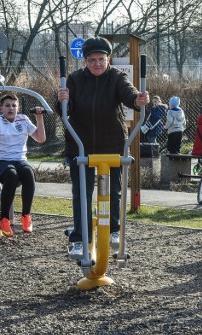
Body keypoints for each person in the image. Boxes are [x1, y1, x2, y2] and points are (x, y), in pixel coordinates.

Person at [56, 36, 149, 257]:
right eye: (92, 60)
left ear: (108, 59)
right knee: (82, 193)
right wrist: (61, 100)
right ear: (85, 62)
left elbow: (129, 94)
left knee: (112, 191)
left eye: (101, 59)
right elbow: (63, 111)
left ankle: (114, 230)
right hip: (81, 145)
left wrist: (138, 100)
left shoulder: (116, 77)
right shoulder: (75, 79)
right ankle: (80, 238)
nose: (97, 64)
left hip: (111, 144)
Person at [0, 94, 46, 237]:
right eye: (7, 105)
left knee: (28, 173)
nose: (11, 108)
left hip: (19, 159)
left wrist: (39, 118)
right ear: (2, 108)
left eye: (14, 105)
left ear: (18, 108)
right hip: (1, 161)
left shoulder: (23, 119)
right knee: (11, 175)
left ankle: (26, 216)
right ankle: (4, 218)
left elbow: (41, 138)